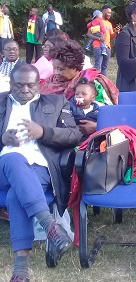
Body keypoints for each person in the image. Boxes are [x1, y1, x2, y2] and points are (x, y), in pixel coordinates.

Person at [0, 63, 83, 282]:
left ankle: (21, 271)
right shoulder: (0, 102)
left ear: (39, 84)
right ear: (10, 84)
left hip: (39, 168)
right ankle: (50, 225)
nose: (25, 90)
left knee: (16, 195)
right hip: (3, 168)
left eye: (30, 85)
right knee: (13, 158)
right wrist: (2, 139)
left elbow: (74, 135)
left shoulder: (56, 102)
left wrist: (43, 132)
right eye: (19, 86)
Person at [40, 39, 118, 136]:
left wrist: (97, 126)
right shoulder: (50, 82)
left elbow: (112, 114)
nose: (56, 73)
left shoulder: (91, 84)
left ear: (75, 68)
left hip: (87, 138)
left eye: (61, 69)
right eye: (54, 68)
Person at [86, 5, 120, 76]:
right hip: (98, 46)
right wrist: (98, 38)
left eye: (110, 13)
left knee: (104, 67)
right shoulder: (97, 21)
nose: (109, 14)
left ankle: (104, 84)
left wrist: (116, 32)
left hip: (107, 47)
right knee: (98, 66)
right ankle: (94, 83)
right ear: (103, 12)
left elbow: (110, 37)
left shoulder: (109, 24)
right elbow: (88, 34)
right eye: (108, 12)